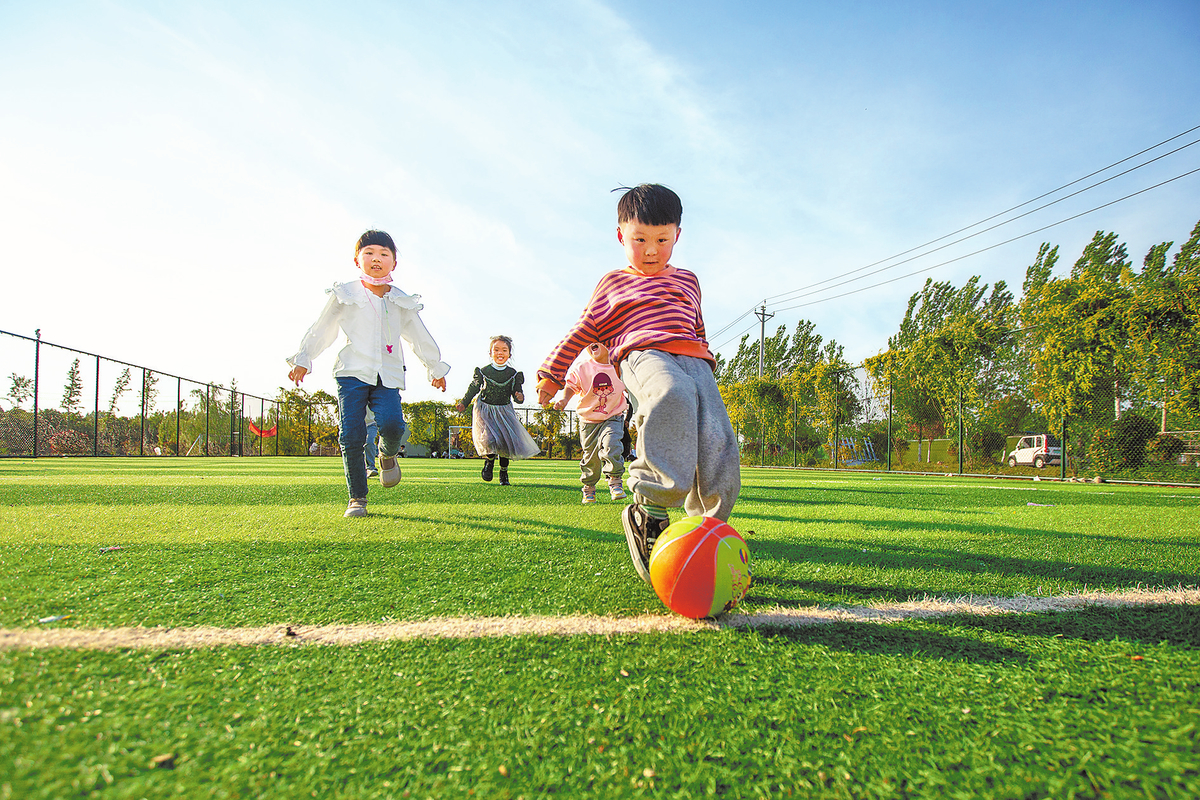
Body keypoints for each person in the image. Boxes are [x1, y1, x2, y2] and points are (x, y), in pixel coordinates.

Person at [536, 184, 740, 583]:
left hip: (695, 360)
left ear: (677, 235)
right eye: (640, 240)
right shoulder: (613, 283)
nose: (651, 249)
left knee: (718, 440)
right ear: (621, 237)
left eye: (662, 239)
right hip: (644, 355)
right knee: (672, 395)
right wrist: (551, 374)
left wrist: (705, 367)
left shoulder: (689, 281)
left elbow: (697, 327)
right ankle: (649, 504)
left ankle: (706, 532)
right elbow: (583, 329)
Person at [287, 230, 450, 517]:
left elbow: (418, 336)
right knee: (351, 434)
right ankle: (357, 498)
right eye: (370, 253)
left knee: (392, 425)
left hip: (387, 375)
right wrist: (304, 358)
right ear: (357, 259)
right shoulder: (345, 295)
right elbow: (322, 328)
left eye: (384, 254)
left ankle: (387, 455)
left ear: (394, 263)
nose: (377, 259)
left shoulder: (401, 301)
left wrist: (434, 368)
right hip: (351, 373)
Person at [456, 335, 539, 485]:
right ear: (490, 353)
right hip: (485, 409)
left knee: (505, 442)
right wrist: (464, 402)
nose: (500, 353)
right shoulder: (483, 372)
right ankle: (489, 462)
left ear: (509, 354)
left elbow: (516, 393)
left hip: (504, 410)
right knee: (490, 438)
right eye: (496, 349)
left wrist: (519, 396)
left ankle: (503, 473)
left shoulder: (513, 374)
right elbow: (473, 388)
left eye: (504, 350)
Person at [555, 342, 628, 504]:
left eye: (598, 340)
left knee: (611, 445)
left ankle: (615, 480)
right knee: (591, 457)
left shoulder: (620, 367)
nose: (592, 344)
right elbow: (571, 386)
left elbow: (631, 387)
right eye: (590, 342)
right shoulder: (583, 368)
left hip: (613, 416)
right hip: (588, 421)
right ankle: (589, 488)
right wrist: (564, 400)